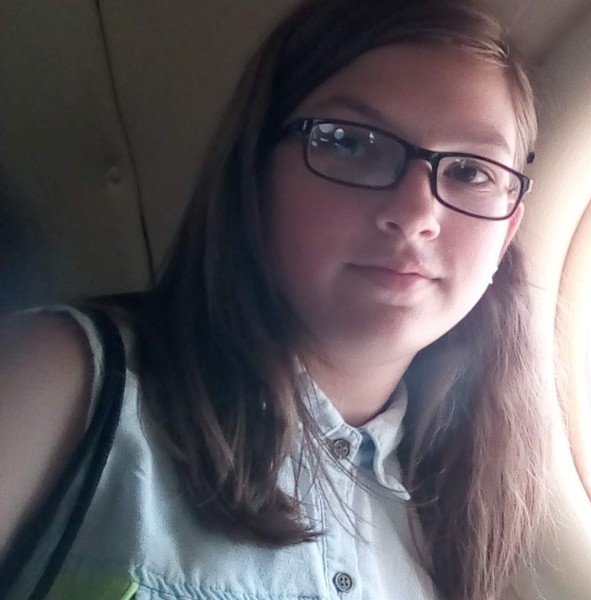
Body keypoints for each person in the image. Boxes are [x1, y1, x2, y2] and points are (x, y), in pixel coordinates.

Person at [0, 0, 552, 598]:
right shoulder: (65, 380)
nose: (416, 214)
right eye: (350, 143)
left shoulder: (456, 513)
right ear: (255, 171)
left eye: (471, 172)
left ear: (507, 233)